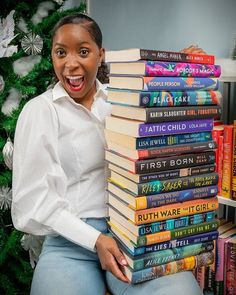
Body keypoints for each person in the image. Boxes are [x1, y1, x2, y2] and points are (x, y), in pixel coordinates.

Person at [11, 13, 204, 295]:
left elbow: (161, 113)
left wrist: (179, 68)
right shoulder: (40, 111)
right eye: (61, 52)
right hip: (69, 241)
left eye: (84, 51)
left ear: (101, 55)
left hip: (133, 235)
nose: (71, 63)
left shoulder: (120, 97)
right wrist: (95, 240)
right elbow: (30, 202)